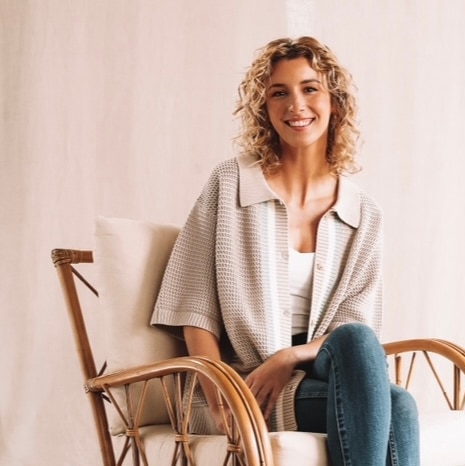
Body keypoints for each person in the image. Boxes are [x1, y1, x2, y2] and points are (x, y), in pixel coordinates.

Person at [150, 36, 420, 466]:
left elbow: (357, 327)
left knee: (355, 337)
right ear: (265, 107)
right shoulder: (231, 184)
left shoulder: (363, 213)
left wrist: (289, 356)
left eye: (310, 88)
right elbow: (193, 305)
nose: (296, 104)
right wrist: (220, 391)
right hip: (244, 383)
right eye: (280, 92)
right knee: (400, 407)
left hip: (322, 370)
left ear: (335, 102)